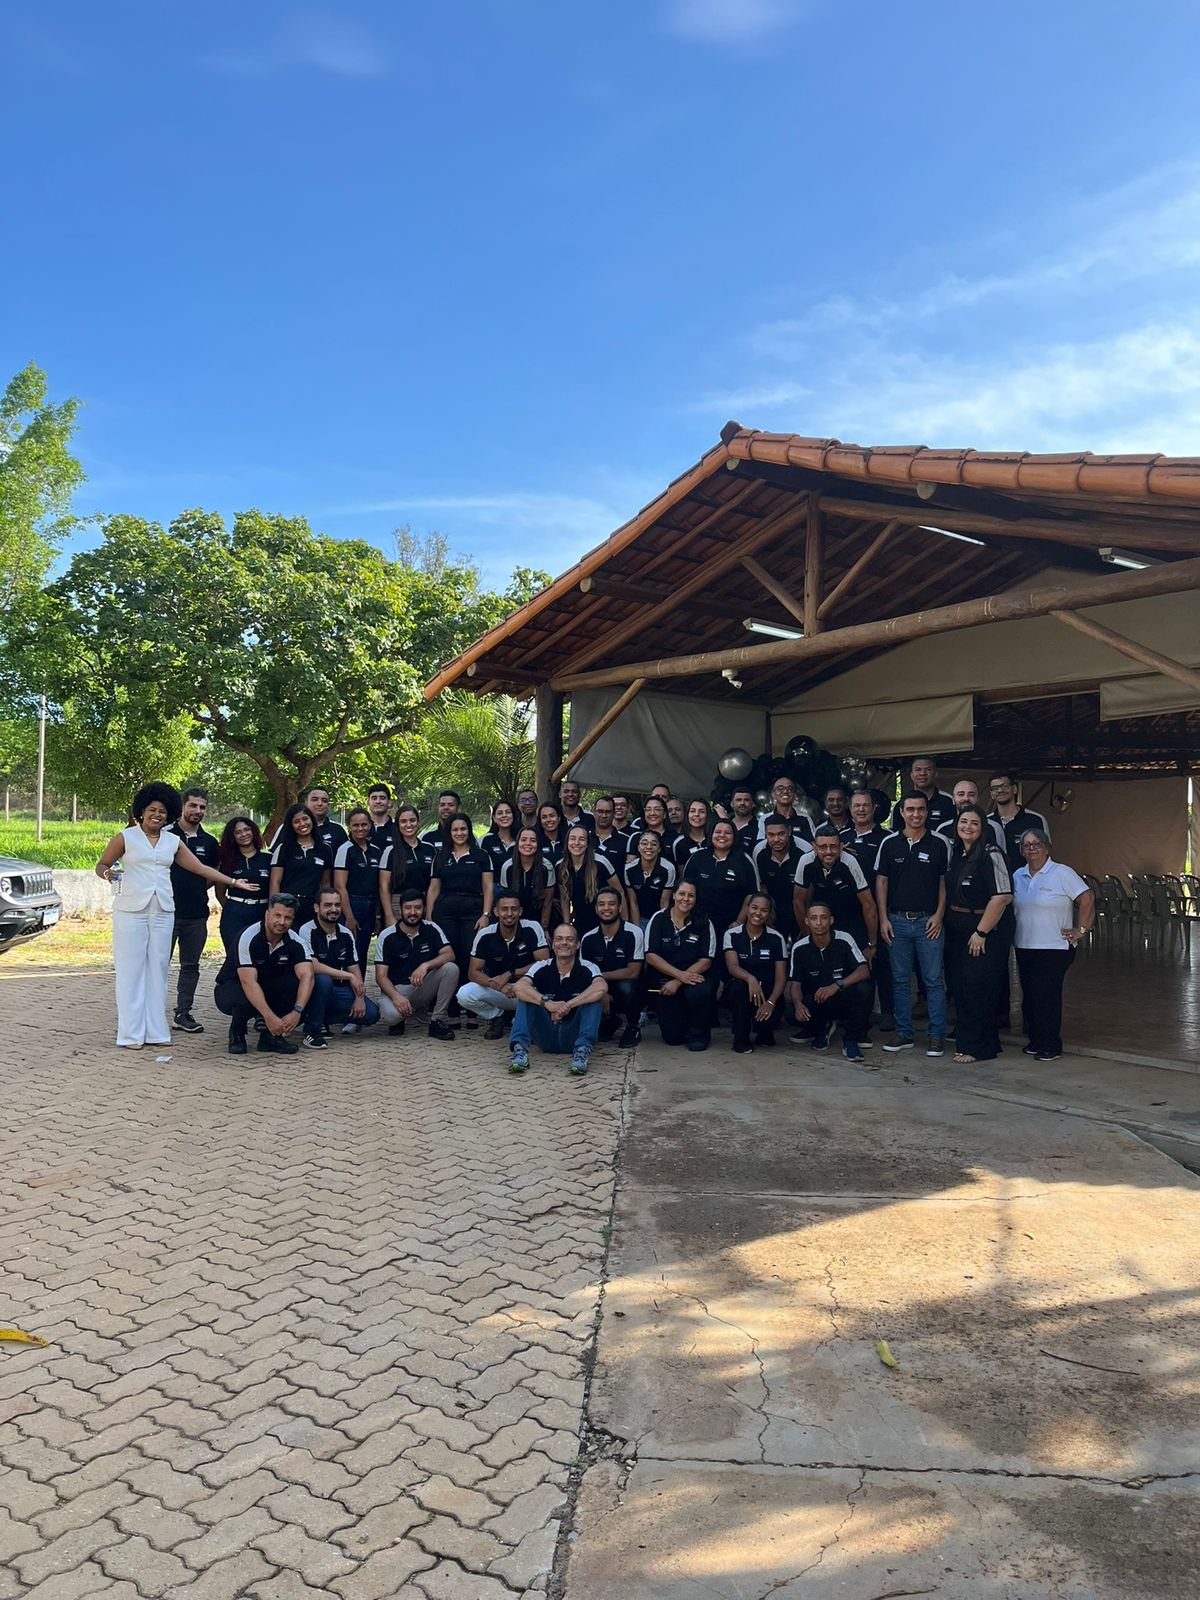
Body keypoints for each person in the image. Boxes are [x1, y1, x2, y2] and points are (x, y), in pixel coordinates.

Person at [96, 782, 254, 1050]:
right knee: (131, 971)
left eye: (162, 811)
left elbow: (200, 868)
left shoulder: (172, 841)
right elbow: (102, 864)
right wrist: (107, 874)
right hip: (130, 911)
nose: (157, 815)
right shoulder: (126, 837)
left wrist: (233, 882)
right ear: (141, 811)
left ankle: (156, 1031)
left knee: (158, 970)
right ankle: (131, 1033)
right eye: (152, 810)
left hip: (163, 911)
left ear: (168, 813)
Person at [875, 793, 948, 1057]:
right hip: (897, 922)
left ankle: (936, 1036)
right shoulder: (889, 843)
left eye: (921, 809)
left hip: (928, 922)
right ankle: (904, 1033)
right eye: (910, 809)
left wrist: (939, 915)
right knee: (900, 981)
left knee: (933, 980)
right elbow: (881, 882)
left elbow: (943, 883)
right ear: (902, 813)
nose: (916, 814)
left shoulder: (939, 844)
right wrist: (883, 918)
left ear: (927, 812)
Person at [1013, 829, 1094, 1063]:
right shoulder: (1018, 875)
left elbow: (1086, 897)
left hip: (1055, 947)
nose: (1032, 848)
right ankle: (1036, 1040)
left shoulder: (1062, 872)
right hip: (1025, 944)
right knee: (1030, 995)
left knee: (1045, 996)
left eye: (1037, 844)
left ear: (1047, 847)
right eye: (1027, 845)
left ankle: (1050, 1044)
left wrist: (1081, 929)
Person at [943, 807, 1013, 1065]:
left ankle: (978, 1048)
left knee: (977, 988)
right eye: (964, 822)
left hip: (984, 930)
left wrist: (981, 932)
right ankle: (976, 1040)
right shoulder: (958, 853)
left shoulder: (991, 854)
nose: (968, 827)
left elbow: (1002, 897)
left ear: (984, 828)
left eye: (975, 823)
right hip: (958, 928)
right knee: (961, 988)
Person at [214, 892, 314, 1058]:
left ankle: (270, 1038)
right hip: (233, 986)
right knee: (242, 997)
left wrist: (297, 1011)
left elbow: (307, 977)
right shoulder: (248, 936)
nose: (282, 922)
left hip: (266, 985)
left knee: (296, 985)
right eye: (277, 916)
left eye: (288, 918)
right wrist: (269, 1016)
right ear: (267, 914)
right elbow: (248, 982)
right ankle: (237, 1032)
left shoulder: (296, 941)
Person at [508, 924, 608, 1077]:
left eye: (569, 939)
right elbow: (519, 987)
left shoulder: (588, 967)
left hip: (573, 1035)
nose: (564, 943)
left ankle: (582, 1053)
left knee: (594, 998)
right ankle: (519, 1052)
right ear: (552, 944)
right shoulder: (541, 966)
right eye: (559, 939)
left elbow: (601, 987)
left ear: (577, 944)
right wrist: (548, 1004)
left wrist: (567, 1005)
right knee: (527, 995)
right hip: (545, 1034)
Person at [426, 815, 494, 1021]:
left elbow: (488, 887)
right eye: (455, 830)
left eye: (463, 829)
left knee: (468, 958)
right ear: (449, 833)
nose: (459, 833)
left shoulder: (481, 855)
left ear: (469, 830)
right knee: (451, 958)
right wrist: (429, 917)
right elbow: (433, 888)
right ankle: (453, 1010)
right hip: (445, 912)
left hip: (472, 912)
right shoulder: (440, 857)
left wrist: (485, 915)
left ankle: (471, 1009)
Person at [457, 890, 549, 1039]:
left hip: (530, 990)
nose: (509, 913)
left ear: (520, 911)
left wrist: (510, 974)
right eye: (504, 909)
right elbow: (473, 973)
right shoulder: (485, 934)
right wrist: (499, 985)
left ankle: (519, 1020)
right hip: (501, 991)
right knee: (464, 994)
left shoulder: (532, 928)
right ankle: (497, 1016)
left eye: (514, 909)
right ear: (496, 911)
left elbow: (544, 963)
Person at [297, 886, 381, 1046]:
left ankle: (320, 1017)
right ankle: (312, 1031)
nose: (333, 909)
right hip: (311, 989)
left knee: (372, 1014)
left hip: (338, 990)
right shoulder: (306, 930)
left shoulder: (346, 933)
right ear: (316, 907)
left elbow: (354, 968)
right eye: (328, 905)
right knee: (323, 979)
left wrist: (359, 998)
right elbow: (312, 966)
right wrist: (348, 976)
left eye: (337, 905)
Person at [788, 903, 872, 1061]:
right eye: (813, 918)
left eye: (823, 917)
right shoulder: (799, 947)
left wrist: (836, 985)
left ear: (831, 920)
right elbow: (795, 984)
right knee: (791, 1012)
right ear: (807, 921)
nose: (819, 922)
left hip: (843, 995)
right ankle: (823, 1028)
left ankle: (851, 1040)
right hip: (818, 999)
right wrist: (798, 1005)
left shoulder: (844, 939)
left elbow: (864, 970)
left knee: (864, 989)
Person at [168, 787, 221, 1034]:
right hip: (164, 914)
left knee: (190, 966)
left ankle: (183, 1013)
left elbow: (210, 875)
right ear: (182, 807)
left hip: (196, 916)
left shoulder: (210, 842)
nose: (197, 811)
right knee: (157, 965)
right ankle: (149, 1015)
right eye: (193, 806)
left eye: (202, 807)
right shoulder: (165, 835)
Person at [840, 790, 893, 1029]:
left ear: (874, 809)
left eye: (865, 806)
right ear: (850, 810)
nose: (861, 810)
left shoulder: (888, 838)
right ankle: (853, 1012)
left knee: (883, 962)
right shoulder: (840, 839)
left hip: (881, 910)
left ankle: (888, 1012)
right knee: (854, 961)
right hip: (849, 913)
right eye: (856, 806)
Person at [374, 889, 458, 1040]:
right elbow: (380, 976)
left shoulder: (431, 928)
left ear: (424, 909)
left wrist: (425, 966)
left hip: (422, 987)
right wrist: (396, 997)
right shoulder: (387, 935)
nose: (413, 912)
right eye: (408, 908)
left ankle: (436, 1021)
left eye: (417, 908)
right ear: (400, 909)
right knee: (391, 1016)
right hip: (397, 989)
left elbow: (449, 954)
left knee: (451, 969)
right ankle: (401, 1017)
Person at [644, 880, 717, 1051]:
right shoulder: (659, 919)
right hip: (665, 981)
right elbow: (651, 956)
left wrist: (679, 980)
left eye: (691, 895)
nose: (686, 899)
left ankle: (699, 1034)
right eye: (682, 894)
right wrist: (677, 975)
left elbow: (706, 960)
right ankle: (683, 1025)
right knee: (673, 1038)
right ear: (674, 895)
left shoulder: (705, 922)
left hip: (693, 977)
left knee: (699, 991)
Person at [793, 826, 878, 957]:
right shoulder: (805, 861)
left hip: (850, 917)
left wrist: (871, 943)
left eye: (833, 846)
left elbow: (869, 904)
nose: (828, 852)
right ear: (814, 847)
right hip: (821, 918)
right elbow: (798, 901)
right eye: (822, 847)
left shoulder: (849, 862)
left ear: (841, 847)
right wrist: (807, 935)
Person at [723, 893, 787, 1053]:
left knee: (766, 1028)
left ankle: (765, 1032)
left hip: (768, 992)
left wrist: (770, 1003)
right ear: (747, 909)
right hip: (743, 989)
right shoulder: (732, 934)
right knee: (738, 988)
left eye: (764, 910)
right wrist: (750, 979)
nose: (758, 913)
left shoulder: (777, 938)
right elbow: (732, 967)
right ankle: (741, 1039)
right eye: (754, 908)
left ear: (769, 913)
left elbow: (781, 978)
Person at [580, 888, 644, 1048]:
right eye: (601, 904)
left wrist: (600, 980)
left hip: (628, 988)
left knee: (627, 987)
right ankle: (609, 1021)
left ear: (620, 907)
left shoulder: (634, 933)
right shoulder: (588, 938)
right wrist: (601, 991)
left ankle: (633, 1027)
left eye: (611, 904)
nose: (606, 908)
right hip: (601, 988)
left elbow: (633, 971)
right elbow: (585, 974)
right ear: (596, 909)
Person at [333, 808, 385, 975]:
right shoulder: (345, 850)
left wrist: (377, 915)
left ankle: (359, 995)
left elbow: (378, 886)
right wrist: (349, 916)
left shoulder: (376, 851)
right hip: (351, 904)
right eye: (356, 825)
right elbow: (340, 886)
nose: (360, 828)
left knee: (362, 952)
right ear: (349, 826)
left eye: (364, 824)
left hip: (370, 907)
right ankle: (345, 994)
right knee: (349, 952)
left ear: (370, 825)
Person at [683, 819, 758, 936]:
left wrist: (739, 922)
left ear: (734, 836)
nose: (722, 835)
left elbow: (752, 894)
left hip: (730, 927)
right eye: (718, 832)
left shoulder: (744, 861)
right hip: (698, 923)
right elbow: (684, 888)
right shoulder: (698, 857)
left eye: (727, 833)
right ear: (711, 834)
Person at [215, 816, 271, 957]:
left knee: (260, 956)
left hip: (261, 912)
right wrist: (231, 908)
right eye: (237, 832)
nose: (243, 834)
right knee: (235, 957)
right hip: (234, 914)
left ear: (253, 831)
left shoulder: (268, 859)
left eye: (246, 829)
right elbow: (219, 893)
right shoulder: (227, 860)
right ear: (232, 837)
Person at [558, 824, 622, 937]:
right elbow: (564, 898)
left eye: (582, 839)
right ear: (567, 842)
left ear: (588, 843)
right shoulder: (561, 866)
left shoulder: (601, 862)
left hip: (605, 923)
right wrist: (567, 926)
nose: (577, 842)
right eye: (572, 838)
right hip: (579, 923)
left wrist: (623, 924)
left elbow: (619, 892)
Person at [379, 805, 438, 924]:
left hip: (426, 903)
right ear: (398, 825)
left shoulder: (430, 849)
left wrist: (429, 912)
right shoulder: (390, 851)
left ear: (418, 822)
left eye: (412, 820)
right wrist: (389, 915)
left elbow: (435, 883)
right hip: (399, 904)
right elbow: (384, 886)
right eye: (403, 821)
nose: (408, 825)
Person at [269, 805, 334, 907]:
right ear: (291, 825)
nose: (302, 824)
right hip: (287, 905)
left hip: (312, 905)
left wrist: (325, 906)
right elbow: (275, 882)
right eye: (296, 821)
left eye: (305, 819)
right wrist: (274, 908)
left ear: (312, 820)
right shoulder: (283, 848)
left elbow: (325, 883)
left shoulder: (325, 849)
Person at [752, 818, 806, 941]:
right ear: (765, 834)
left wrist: (804, 923)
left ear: (790, 831)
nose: (776, 839)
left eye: (781, 834)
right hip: (772, 909)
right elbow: (762, 885)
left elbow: (809, 891)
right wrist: (768, 914)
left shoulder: (804, 850)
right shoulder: (759, 851)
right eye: (771, 835)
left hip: (799, 907)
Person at [988, 772, 1051, 873]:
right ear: (991, 794)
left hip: (1028, 881)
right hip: (997, 884)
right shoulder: (986, 822)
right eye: (995, 788)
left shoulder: (1036, 820)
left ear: (1015, 789)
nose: (1000, 790)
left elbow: (1045, 853)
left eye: (1004, 786)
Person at [500, 828, 555, 928]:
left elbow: (548, 902)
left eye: (533, 840)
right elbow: (505, 900)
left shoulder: (547, 867)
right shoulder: (507, 867)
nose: (528, 843)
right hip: (514, 921)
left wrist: (544, 928)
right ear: (517, 843)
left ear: (538, 844)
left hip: (540, 920)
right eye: (524, 839)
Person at [935, 780, 1007, 852]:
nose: (966, 798)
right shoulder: (943, 829)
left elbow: (1000, 860)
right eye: (961, 794)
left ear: (978, 799)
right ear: (953, 799)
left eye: (971, 795)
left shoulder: (994, 828)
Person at [624, 830, 676, 929]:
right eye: (644, 843)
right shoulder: (629, 868)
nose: (648, 847)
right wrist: (637, 929)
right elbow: (633, 902)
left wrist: (661, 926)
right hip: (639, 917)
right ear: (638, 848)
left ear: (659, 849)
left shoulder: (668, 868)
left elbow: (664, 902)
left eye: (654, 844)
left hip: (659, 916)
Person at [889, 757, 955, 832]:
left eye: (928, 769)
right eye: (918, 769)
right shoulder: (900, 804)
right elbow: (894, 835)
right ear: (911, 774)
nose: (922, 773)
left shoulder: (949, 801)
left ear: (936, 774)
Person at [756, 777, 815, 853]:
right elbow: (761, 845)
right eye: (780, 788)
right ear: (773, 795)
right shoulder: (765, 818)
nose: (785, 791)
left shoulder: (805, 818)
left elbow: (812, 846)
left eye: (790, 789)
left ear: (794, 795)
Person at [301, 786, 348, 854]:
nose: (320, 803)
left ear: (328, 805)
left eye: (324, 800)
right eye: (315, 799)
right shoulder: (291, 827)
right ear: (306, 803)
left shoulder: (338, 830)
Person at [479, 800, 518, 877]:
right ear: (494, 818)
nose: (504, 815)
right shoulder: (485, 840)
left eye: (508, 812)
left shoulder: (521, 839)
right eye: (500, 813)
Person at [590, 796, 627, 879]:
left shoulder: (625, 840)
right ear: (594, 813)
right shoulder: (585, 838)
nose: (604, 815)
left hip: (614, 890)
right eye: (600, 811)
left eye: (608, 812)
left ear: (614, 813)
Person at [673, 799, 713, 871]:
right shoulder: (679, 843)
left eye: (702, 812)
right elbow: (682, 874)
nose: (696, 814)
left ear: (707, 815)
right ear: (687, 814)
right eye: (692, 811)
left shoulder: (714, 839)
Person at [726, 786, 760, 854]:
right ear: (731, 804)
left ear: (753, 804)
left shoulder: (759, 827)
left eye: (746, 800)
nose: (742, 803)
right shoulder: (723, 824)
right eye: (738, 800)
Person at [537, 801, 566, 867]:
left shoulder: (568, 841)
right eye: (544, 817)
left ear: (559, 818)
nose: (548, 820)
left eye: (552, 816)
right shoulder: (536, 842)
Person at [366, 784, 395, 850]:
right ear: (368, 802)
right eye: (374, 798)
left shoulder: (398, 828)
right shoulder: (360, 828)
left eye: (382, 798)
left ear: (389, 802)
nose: (378, 801)